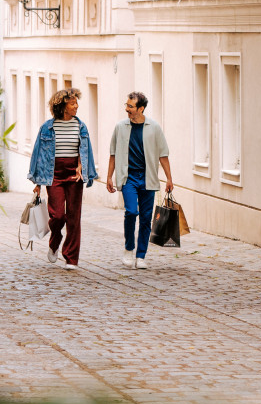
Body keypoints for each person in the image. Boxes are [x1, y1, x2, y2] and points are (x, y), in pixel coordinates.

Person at [28, 88, 97, 270]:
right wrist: (38, 183)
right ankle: (55, 240)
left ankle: (71, 258)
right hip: (54, 174)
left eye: (76, 103)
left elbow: (85, 149)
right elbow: (39, 154)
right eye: (72, 103)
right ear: (62, 106)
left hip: (74, 174)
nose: (76, 107)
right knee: (57, 215)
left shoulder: (80, 126)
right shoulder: (47, 127)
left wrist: (82, 165)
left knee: (74, 217)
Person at [105, 91, 173, 269]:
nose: (126, 109)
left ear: (141, 109)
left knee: (145, 218)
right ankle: (129, 248)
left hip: (148, 178)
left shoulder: (154, 127)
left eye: (130, 106)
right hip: (128, 178)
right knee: (131, 211)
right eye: (126, 105)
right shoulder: (120, 127)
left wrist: (169, 179)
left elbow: (163, 155)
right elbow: (113, 153)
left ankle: (141, 255)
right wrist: (109, 177)